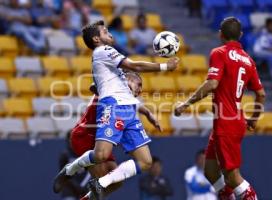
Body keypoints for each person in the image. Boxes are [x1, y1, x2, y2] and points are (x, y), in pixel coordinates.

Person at [53, 19, 179, 199]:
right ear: (97, 39)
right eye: (105, 31)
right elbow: (134, 66)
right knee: (101, 156)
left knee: (145, 162)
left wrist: (147, 112)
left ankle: (94, 190)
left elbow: (126, 93)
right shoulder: (103, 51)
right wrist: (165, 66)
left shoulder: (114, 75)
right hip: (108, 112)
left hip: (127, 111)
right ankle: (70, 170)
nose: (110, 33)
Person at [175, 17, 266, 200]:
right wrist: (254, 117)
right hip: (230, 121)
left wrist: (186, 104)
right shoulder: (248, 60)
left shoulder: (219, 52)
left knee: (232, 177)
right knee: (210, 171)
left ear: (220, 34)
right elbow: (261, 94)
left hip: (227, 123)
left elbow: (212, 84)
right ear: (240, 35)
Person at [55, 72, 163, 200]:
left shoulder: (127, 100)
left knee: (116, 182)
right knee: (101, 180)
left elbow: (136, 103)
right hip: (85, 135)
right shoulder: (110, 86)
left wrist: (148, 113)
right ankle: (69, 170)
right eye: (138, 84)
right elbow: (93, 86)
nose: (140, 90)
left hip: (101, 139)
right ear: (126, 79)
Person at [59, 132, 90, 200]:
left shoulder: (87, 154)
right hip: (70, 190)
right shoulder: (65, 155)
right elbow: (63, 176)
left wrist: (83, 186)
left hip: (86, 188)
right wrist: (75, 186)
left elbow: (90, 173)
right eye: (70, 139)